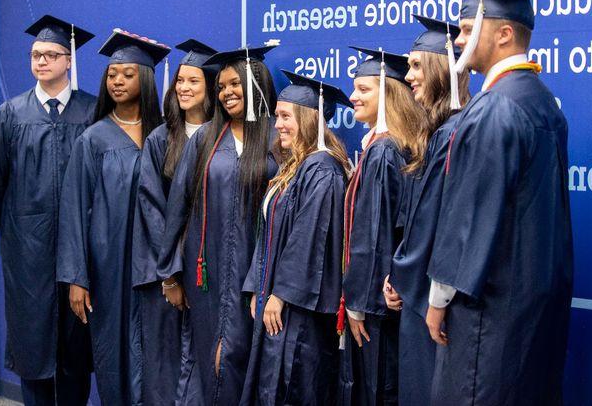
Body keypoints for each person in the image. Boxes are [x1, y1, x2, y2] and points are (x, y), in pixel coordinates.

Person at [425, 0, 573, 405]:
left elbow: (469, 214)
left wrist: (439, 298)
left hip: (487, 313)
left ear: (504, 33)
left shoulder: (495, 107)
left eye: (469, 29)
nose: (458, 39)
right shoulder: (543, 102)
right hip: (532, 306)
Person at [158, 44, 280, 405]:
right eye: (221, 87)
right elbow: (177, 206)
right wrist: (170, 273)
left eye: (234, 85)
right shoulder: (205, 140)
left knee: (246, 357)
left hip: (256, 269)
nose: (226, 93)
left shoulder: (277, 139)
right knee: (209, 358)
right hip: (206, 272)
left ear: (255, 84)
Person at [0, 14, 94, 405]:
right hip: (27, 251)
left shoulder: (91, 112)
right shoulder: (10, 115)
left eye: (50, 54)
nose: (41, 61)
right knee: (33, 344)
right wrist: (15, 234)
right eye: (35, 55)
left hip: (80, 250)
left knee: (76, 348)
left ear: (69, 60)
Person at [57, 28, 169, 405]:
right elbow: (74, 209)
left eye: (128, 74)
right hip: (109, 268)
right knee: (112, 351)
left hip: (155, 266)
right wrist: (77, 276)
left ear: (147, 79)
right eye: (111, 75)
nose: (117, 81)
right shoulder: (94, 139)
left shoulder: (166, 134)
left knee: (155, 350)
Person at [240, 70, 352, 406]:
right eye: (277, 116)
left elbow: (310, 238)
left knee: (293, 387)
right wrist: (257, 288)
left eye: (286, 116)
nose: (278, 125)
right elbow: (268, 232)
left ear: (308, 118)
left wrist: (281, 294)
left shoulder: (323, 169)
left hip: (299, 311)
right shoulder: (294, 166)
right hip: (277, 302)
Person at [383, 15, 471, 405]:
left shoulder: (453, 134)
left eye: (417, 65)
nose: (409, 75)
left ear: (440, 68)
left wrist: (402, 274)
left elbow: (444, 225)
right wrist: (398, 272)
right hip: (420, 291)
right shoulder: (435, 134)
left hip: (436, 302)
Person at [338, 48, 429, 406]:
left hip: (378, 308)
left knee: (377, 389)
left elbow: (375, 235)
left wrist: (360, 303)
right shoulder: (391, 145)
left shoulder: (384, 151)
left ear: (388, 92)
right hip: (389, 299)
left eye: (363, 89)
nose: (352, 97)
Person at [130, 38, 218, 404]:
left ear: (210, 86)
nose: (183, 87)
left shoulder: (223, 138)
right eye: (180, 80)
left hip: (208, 270)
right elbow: (151, 206)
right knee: (165, 364)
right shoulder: (160, 139)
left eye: (193, 81)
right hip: (166, 269)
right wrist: (170, 272)